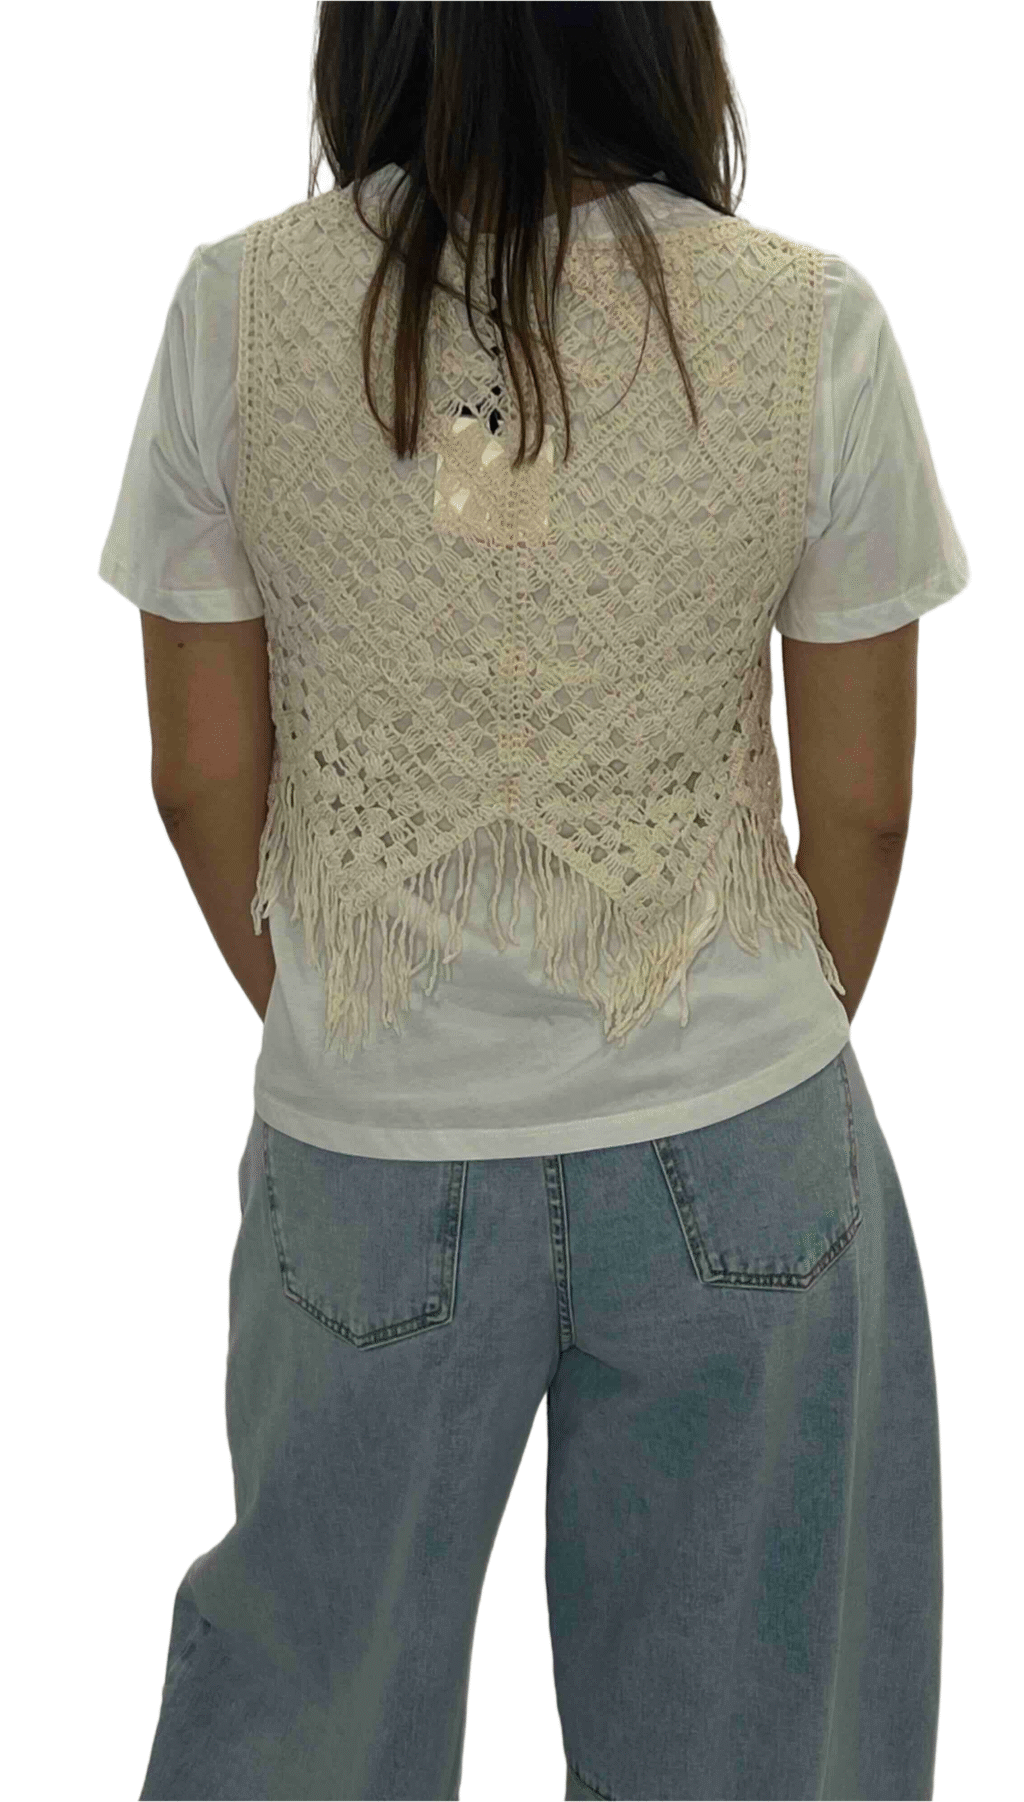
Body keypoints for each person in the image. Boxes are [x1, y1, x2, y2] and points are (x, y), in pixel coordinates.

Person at [97, 5, 969, 1798]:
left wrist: (353, 1018)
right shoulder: (811, 323)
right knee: (752, 1754)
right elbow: (866, 809)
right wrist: (736, 1043)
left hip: (370, 1141)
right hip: (743, 1126)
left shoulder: (237, 313)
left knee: (302, 1728)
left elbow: (199, 777)